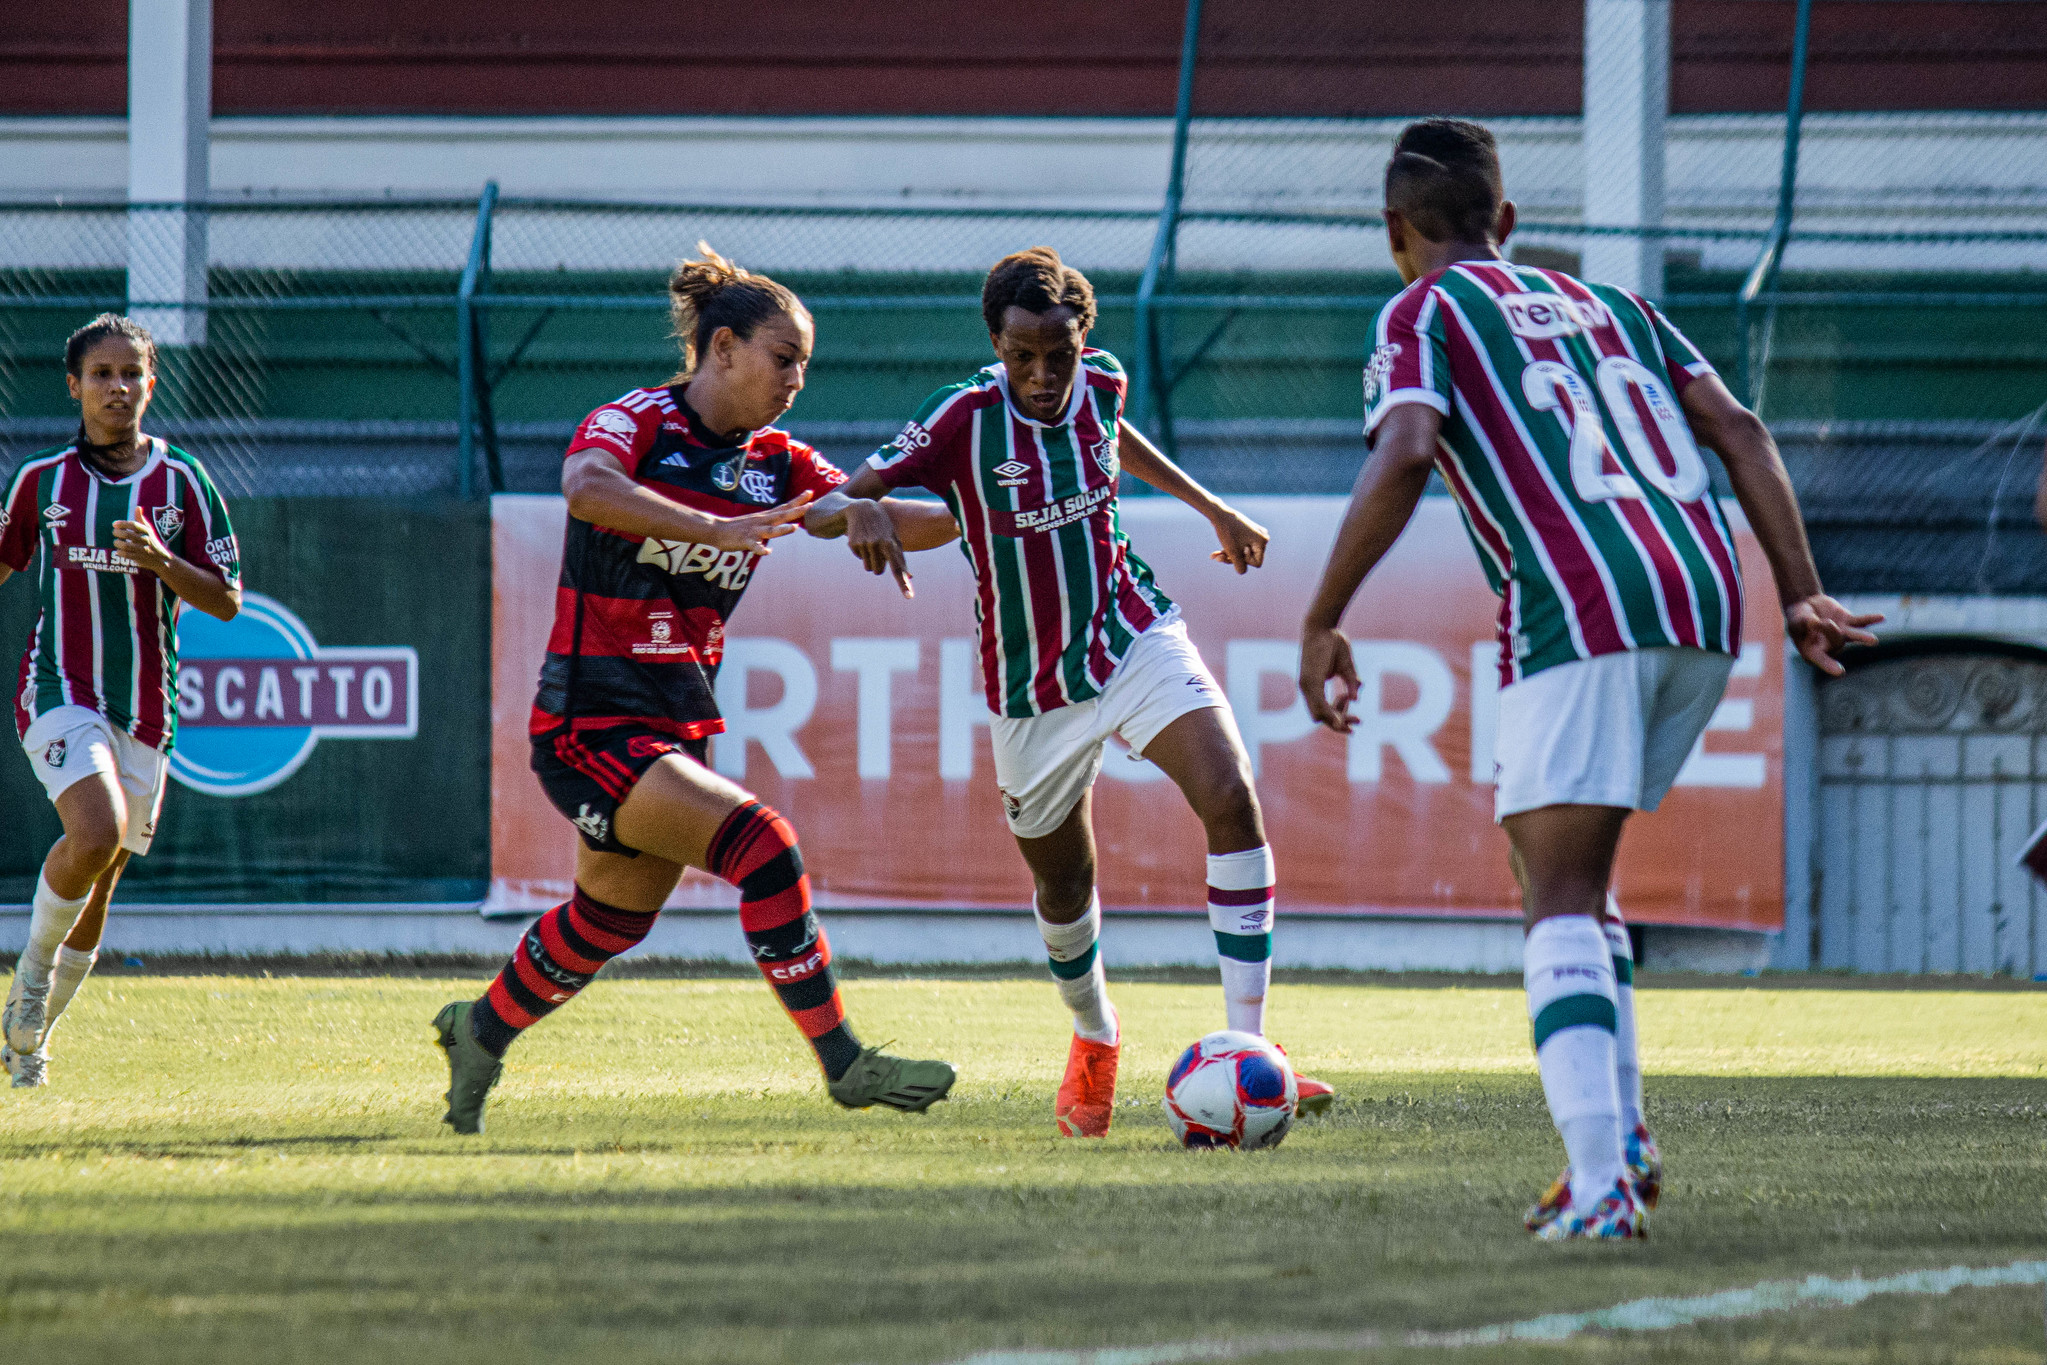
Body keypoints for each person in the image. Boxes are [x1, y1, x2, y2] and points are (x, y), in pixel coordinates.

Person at [1297, 121, 1879, 1238]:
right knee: (1563, 870)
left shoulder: (1421, 311)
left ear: (1393, 231)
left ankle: (1602, 1179)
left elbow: (1406, 447)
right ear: (1507, 221)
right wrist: (1801, 590)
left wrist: (1322, 616)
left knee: (1556, 892)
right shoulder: (1618, 305)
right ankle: (1622, 1144)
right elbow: (1742, 430)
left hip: (1580, 603)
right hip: (1702, 599)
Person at [433, 245, 961, 1134]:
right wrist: (711, 524)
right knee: (764, 845)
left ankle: (478, 1029)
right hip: (589, 720)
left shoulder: (775, 460)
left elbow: (841, 511)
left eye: (803, 364)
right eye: (782, 357)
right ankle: (844, 1064)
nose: (796, 379)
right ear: (722, 348)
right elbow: (585, 487)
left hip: (673, 724)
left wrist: (966, 516)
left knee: (609, 919)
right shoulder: (635, 421)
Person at [813, 246, 1334, 1138]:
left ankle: (1251, 1049)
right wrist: (858, 508)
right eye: (1022, 356)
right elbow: (829, 504)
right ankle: (1095, 1034)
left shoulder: (1103, 382)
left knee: (1230, 795)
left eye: (1059, 355)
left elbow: (1114, 436)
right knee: (1063, 884)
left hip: (1129, 633)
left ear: (1082, 342)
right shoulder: (960, 419)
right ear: (995, 343)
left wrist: (1211, 507)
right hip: (1031, 685)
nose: (1043, 375)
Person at [0, 314, 242, 1088]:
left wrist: (164, 561)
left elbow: (228, 599)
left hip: (146, 705)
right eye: (101, 374)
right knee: (96, 828)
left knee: (101, 875)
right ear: (74, 386)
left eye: (131, 373)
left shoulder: (184, 482)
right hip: (59, 687)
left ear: (152, 383)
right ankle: (29, 977)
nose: (117, 387)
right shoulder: (42, 480)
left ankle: (31, 1041)